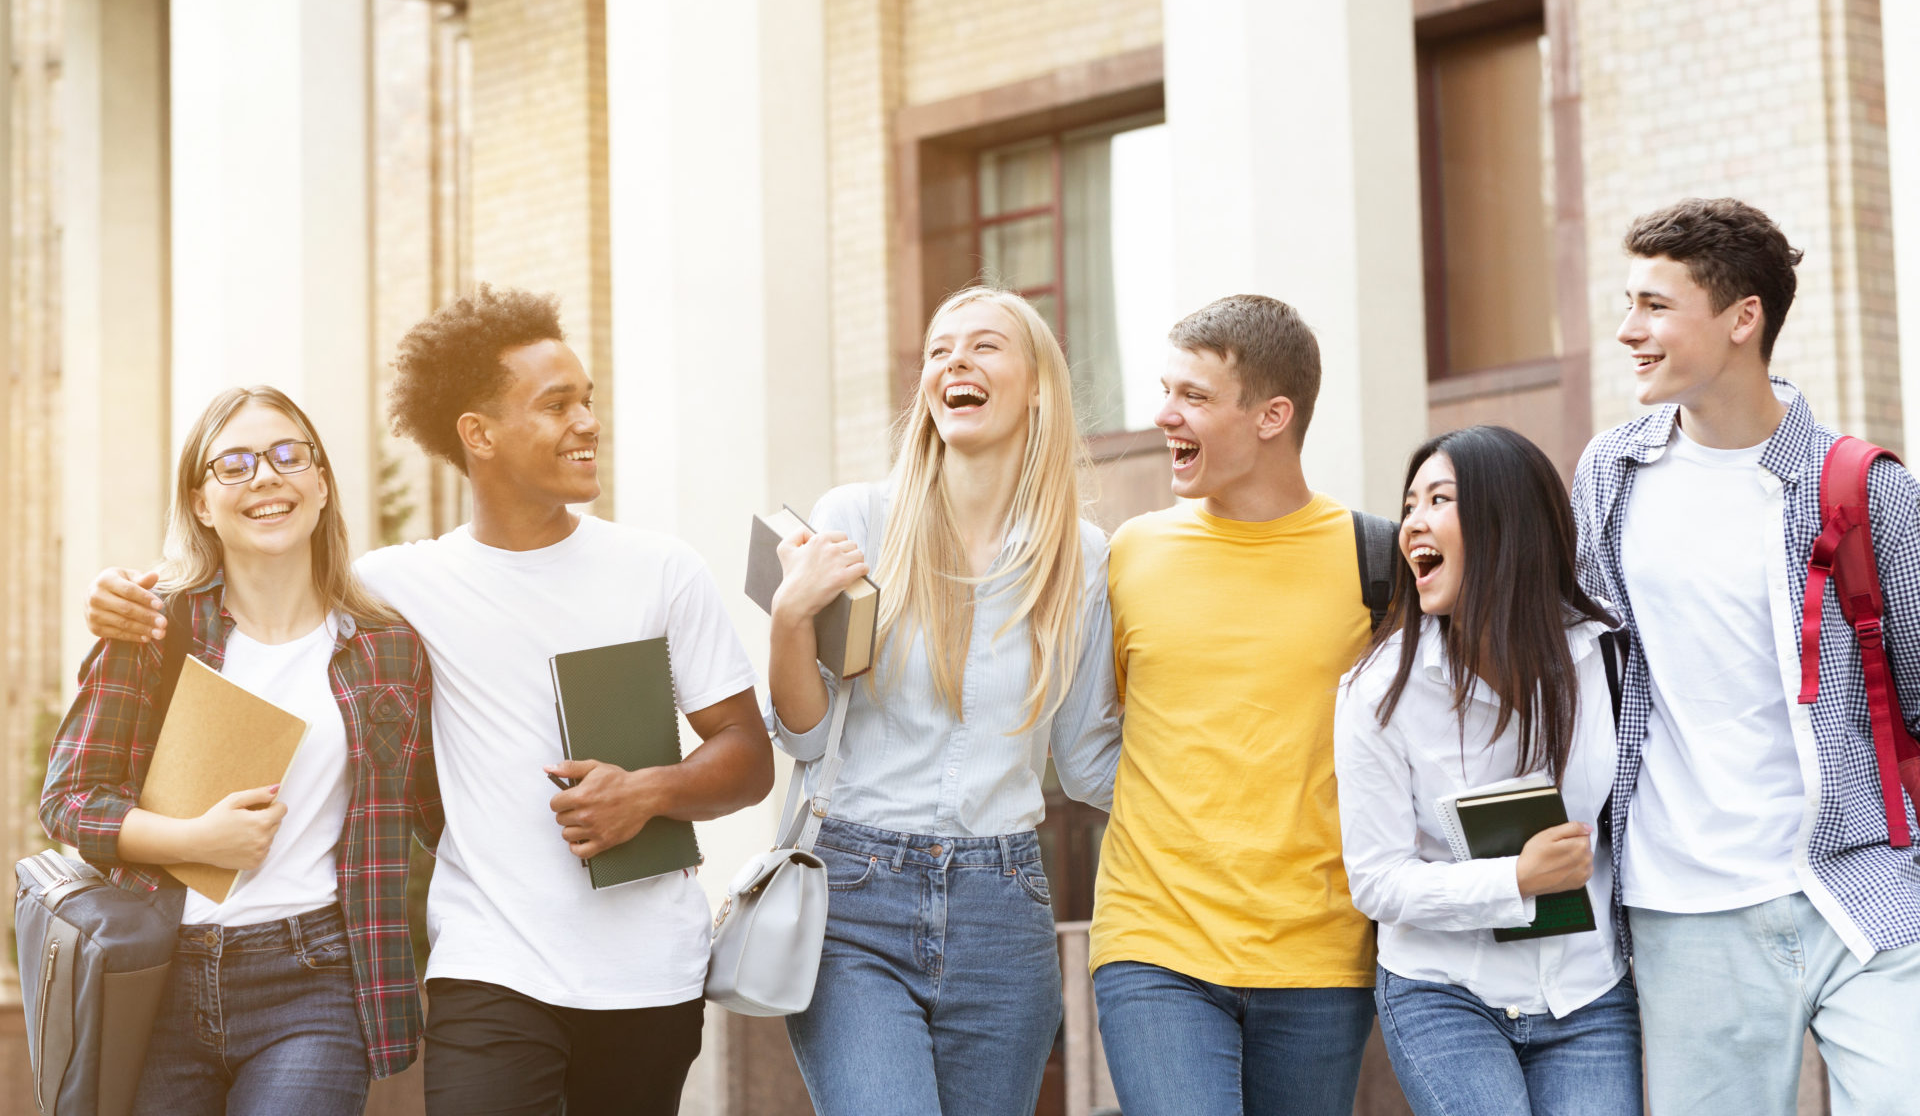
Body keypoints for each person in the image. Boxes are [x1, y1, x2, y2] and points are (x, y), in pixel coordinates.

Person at [83, 285, 775, 1116]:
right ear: (478, 434)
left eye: (587, 400)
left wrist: (649, 791)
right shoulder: (395, 590)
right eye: (558, 405)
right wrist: (127, 595)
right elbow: (259, 570)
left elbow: (747, 755)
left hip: (647, 966)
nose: (588, 422)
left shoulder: (660, 569)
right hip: (487, 966)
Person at [1571, 197, 1920, 1114]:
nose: (1626, 330)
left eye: (1654, 306)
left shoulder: (1863, 488)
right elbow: (1586, 668)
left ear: (1741, 318)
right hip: (1687, 902)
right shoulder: (1610, 476)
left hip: (1865, 883)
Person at [766, 285, 1121, 1116]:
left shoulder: (1084, 558)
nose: (955, 361)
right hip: (856, 896)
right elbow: (806, 735)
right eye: (938, 349)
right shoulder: (859, 520)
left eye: (985, 345)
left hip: (1005, 909)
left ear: (1037, 385)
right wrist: (788, 618)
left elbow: (1086, 759)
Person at [43, 386, 438, 1115]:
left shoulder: (387, 650)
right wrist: (195, 839)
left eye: (289, 455)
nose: (265, 476)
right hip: (158, 975)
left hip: (314, 979)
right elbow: (69, 798)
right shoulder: (157, 628)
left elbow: (441, 811)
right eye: (235, 464)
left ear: (320, 484)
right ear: (200, 503)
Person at [1089, 294, 1377, 1116]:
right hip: (1156, 944)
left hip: (1321, 956)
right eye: (1165, 388)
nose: (1162, 414)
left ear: (1271, 416)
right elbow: (1093, 733)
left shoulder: (1376, 559)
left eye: (1194, 397)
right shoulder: (1131, 554)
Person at [1334, 425, 1641, 1116]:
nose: (1413, 520)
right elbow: (1376, 881)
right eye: (1409, 503)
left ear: (1508, 523)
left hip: (1587, 992)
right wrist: (1516, 880)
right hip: (1444, 990)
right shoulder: (1378, 691)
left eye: (1439, 499)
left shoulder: (1607, 659)